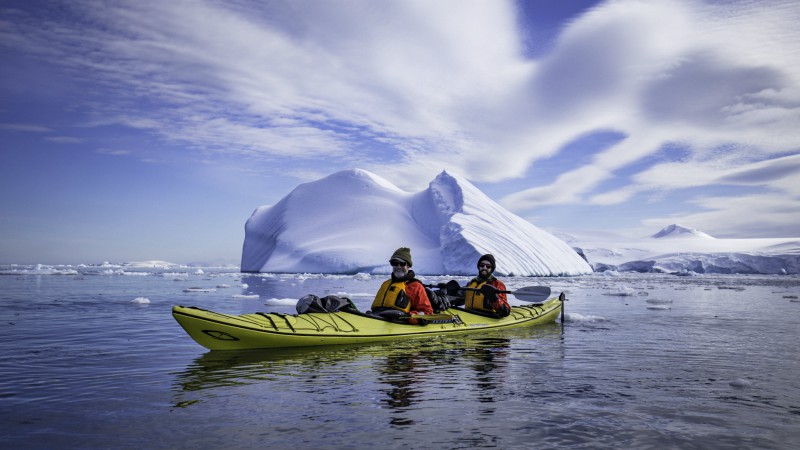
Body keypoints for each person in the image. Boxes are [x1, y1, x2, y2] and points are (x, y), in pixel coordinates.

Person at [371, 247, 433, 323]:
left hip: (398, 323)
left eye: (402, 264)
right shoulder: (386, 283)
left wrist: (408, 317)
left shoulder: (415, 286)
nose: (398, 267)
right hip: (377, 318)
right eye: (395, 263)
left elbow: (427, 312)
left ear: (408, 266)